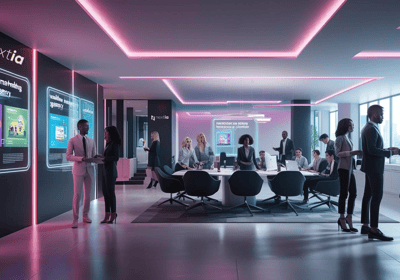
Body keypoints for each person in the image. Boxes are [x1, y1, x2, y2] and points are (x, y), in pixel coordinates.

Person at [360, 105, 399, 241]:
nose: (383, 117)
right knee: (376, 197)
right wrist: (389, 152)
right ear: (375, 114)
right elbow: (372, 150)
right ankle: (374, 230)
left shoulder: (368, 127)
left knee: (368, 196)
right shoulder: (371, 129)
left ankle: (365, 226)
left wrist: (389, 149)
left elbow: (373, 148)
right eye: (382, 114)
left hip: (370, 167)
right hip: (374, 168)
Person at [66, 119, 96, 229]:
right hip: (78, 170)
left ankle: (85, 215)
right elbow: (68, 156)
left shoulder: (92, 141)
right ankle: (75, 219)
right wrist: (81, 158)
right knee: (77, 195)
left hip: (90, 170)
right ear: (80, 127)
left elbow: (94, 156)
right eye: (85, 126)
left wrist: (97, 159)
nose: (88, 128)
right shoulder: (72, 140)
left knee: (88, 195)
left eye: (88, 126)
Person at [335, 118, 362, 232]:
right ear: (345, 126)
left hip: (350, 170)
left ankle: (349, 217)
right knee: (344, 194)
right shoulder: (340, 138)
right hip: (343, 169)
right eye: (351, 125)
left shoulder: (348, 138)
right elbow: (337, 153)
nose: (353, 127)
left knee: (354, 193)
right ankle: (341, 218)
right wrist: (351, 153)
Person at [96, 126, 121, 224]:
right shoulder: (108, 143)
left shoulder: (115, 144)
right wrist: (100, 157)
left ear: (110, 133)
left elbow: (115, 157)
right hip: (105, 171)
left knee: (111, 194)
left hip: (111, 172)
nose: (105, 134)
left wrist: (104, 158)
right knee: (106, 194)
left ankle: (113, 214)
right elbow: (108, 156)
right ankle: (107, 214)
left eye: (106, 132)